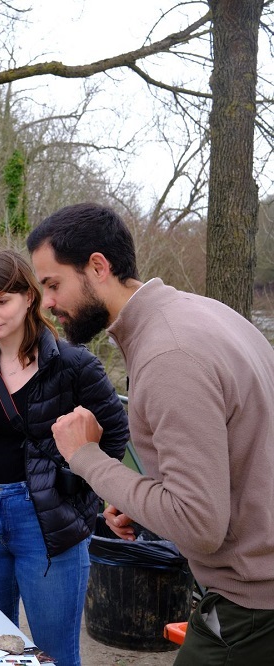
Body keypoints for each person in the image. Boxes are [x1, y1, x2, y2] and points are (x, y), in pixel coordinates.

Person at [28, 203, 274, 664]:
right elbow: (243, 458)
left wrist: (88, 458)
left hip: (252, 609)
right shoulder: (206, 314)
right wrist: (146, 503)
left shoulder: (168, 355)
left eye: (53, 284)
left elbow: (199, 524)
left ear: (98, 267)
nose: (47, 304)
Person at [0, 249, 128, 666]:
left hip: (49, 520)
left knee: (55, 653)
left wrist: (90, 492)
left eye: (1, 301)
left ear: (29, 298)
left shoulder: (75, 365)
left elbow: (116, 430)